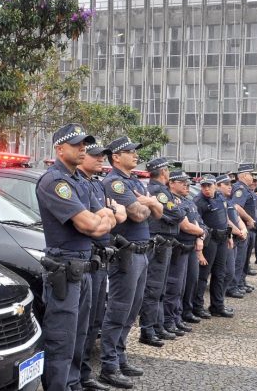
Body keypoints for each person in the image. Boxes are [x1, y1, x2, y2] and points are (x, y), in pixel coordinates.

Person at [36, 124, 116, 391]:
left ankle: (73, 384)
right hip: (65, 270)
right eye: (77, 145)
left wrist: (101, 217)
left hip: (83, 269)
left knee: (80, 335)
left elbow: (106, 218)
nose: (83, 148)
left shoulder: (79, 181)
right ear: (60, 149)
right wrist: (101, 217)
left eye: (85, 144)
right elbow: (91, 225)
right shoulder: (54, 182)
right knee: (61, 338)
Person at [98, 136, 163, 390]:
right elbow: (137, 214)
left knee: (132, 310)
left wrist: (150, 203)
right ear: (116, 157)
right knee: (118, 310)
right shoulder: (114, 182)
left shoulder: (134, 181)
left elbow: (159, 213)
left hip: (142, 252)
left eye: (135, 152)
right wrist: (149, 203)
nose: (135, 155)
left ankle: (120, 357)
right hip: (126, 254)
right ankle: (109, 366)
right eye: (129, 152)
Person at [78, 142, 127, 391]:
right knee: (82, 325)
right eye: (95, 156)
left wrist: (109, 214)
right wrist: (109, 213)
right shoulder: (77, 184)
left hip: (100, 259)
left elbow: (119, 216)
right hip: (87, 258)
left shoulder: (96, 183)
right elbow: (97, 222)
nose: (101, 160)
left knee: (95, 322)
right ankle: (76, 378)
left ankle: (85, 375)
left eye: (102, 156)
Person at [138, 158, 187, 345]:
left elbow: (176, 213)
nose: (168, 172)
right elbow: (177, 214)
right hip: (158, 242)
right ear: (163, 172)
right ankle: (148, 330)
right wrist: (173, 213)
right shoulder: (159, 192)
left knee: (160, 289)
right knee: (154, 288)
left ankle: (157, 326)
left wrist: (173, 213)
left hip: (165, 242)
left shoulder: (161, 191)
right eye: (167, 170)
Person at [164, 171, 206, 328]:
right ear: (172, 183)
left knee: (188, 284)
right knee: (174, 286)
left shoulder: (189, 202)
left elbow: (201, 224)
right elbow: (186, 226)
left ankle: (179, 316)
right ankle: (171, 319)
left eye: (188, 183)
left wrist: (200, 235)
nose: (187, 186)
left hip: (191, 247)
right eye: (182, 183)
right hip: (179, 247)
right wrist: (199, 233)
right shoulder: (172, 201)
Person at [192, 175, 233, 318]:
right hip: (208, 241)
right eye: (203, 186)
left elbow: (224, 217)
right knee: (203, 275)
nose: (206, 189)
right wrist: (199, 251)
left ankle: (217, 306)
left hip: (222, 239)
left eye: (209, 185)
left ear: (215, 185)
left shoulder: (220, 197)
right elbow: (196, 223)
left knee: (220, 274)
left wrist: (229, 235)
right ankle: (197, 307)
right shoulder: (198, 201)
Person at [217, 175, 249, 299]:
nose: (230, 187)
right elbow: (226, 220)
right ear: (218, 186)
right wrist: (238, 231)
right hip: (227, 237)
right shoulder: (219, 200)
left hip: (234, 237)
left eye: (230, 185)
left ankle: (220, 300)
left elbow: (237, 217)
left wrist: (243, 228)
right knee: (227, 272)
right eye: (226, 185)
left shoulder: (228, 200)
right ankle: (219, 299)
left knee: (232, 269)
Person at [232, 164, 257, 284]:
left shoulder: (246, 189)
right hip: (243, 227)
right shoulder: (240, 189)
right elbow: (236, 206)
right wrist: (249, 219)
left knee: (245, 258)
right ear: (244, 175)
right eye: (250, 174)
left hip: (250, 228)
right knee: (239, 258)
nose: (252, 177)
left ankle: (241, 282)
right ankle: (235, 284)